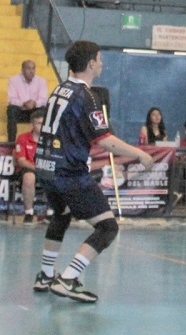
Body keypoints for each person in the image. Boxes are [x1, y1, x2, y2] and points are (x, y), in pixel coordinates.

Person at [32, 40, 154, 303]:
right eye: (99, 59)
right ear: (90, 64)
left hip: (46, 166)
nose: (102, 63)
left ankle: (45, 275)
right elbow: (104, 139)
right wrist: (140, 153)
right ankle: (68, 279)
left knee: (61, 216)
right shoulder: (85, 96)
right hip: (68, 172)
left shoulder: (60, 88)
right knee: (107, 227)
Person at [13, 109, 45, 225]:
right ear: (32, 124)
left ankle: (53, 213)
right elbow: (21, 161)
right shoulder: (22, 138)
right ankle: (29, 213)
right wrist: (37, 169)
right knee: (29, 178)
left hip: (46, 168)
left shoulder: (51, 140)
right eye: (39, 123)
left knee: (60, 176)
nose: (42, 126)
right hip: (29, 168)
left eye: (44, 123)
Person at [6, 59, 48, 142]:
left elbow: (44, 99)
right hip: (21, 111)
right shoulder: (14, 80)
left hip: (35, 111)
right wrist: (23, 103)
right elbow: (11, 99)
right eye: (28, 68)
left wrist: (35, 103)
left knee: (44, 109)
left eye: (33, 68)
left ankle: (42, 140)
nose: (31, 71)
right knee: (11, 109)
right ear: (22, 70)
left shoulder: (41, 81)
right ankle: (11, 142)